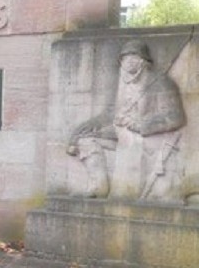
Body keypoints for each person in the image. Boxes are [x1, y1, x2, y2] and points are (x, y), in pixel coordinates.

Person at [67, 39, 186, 201]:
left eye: (133, 57)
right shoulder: (122, 84)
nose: (128, 61)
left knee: (131, 142)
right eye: (125, 58)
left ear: (143, 60)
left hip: (149, 137)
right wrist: (85, 127)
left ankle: (126, 193)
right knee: (86, 140)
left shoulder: (161, 82)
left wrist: (140, 125)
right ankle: (99, 186)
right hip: (120, 132)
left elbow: (176, 117)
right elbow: (110, 113)